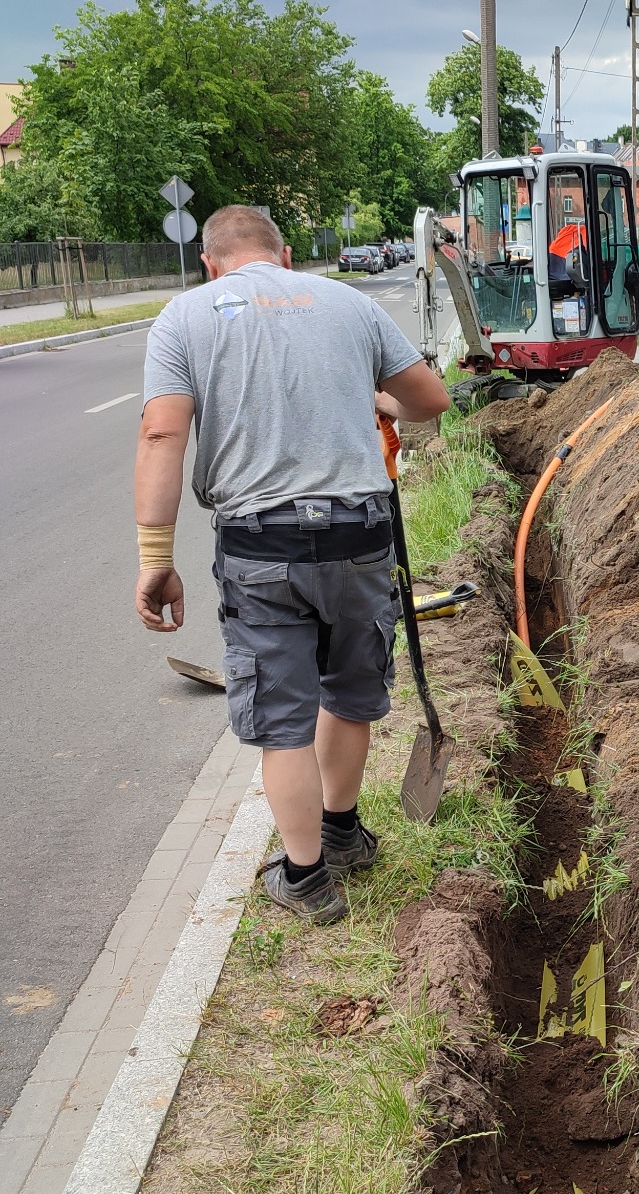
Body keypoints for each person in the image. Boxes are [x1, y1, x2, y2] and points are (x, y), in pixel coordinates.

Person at [135, 205, 451, 924]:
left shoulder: (185, 317)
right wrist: (373, 396)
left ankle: (306, 878)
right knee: (349, 689)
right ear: (282, 257)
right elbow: (428, 400)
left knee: (283, 719)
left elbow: (161, 433)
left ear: (211, 262)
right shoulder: (349, 303)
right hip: (358, 537)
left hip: (262, 548)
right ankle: (343, 831)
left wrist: (157, 559)